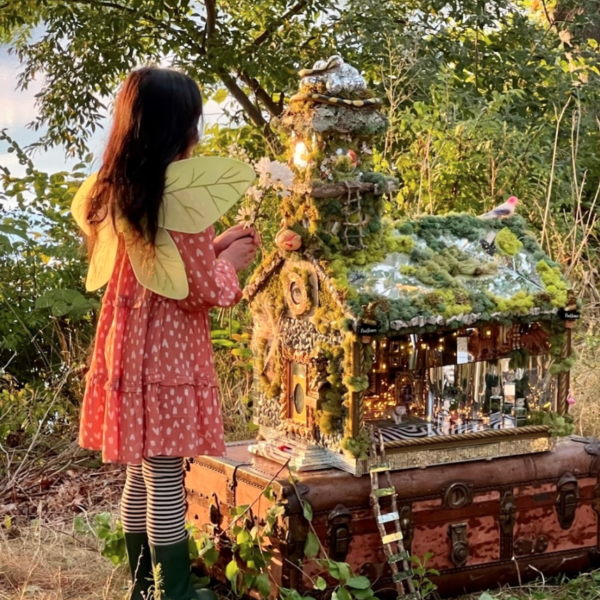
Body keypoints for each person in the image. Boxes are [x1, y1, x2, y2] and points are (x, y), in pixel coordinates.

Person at [75, 67, 259, 600]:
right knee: (166, 480)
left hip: (129, 346)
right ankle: (172, 592)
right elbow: (198, 289)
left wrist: (215, 246)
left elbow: (159, 265)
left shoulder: (116, 187)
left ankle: (143, 587)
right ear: (179, 127)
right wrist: (232, 264)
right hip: (168, 353)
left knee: (140, 473)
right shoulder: (182, 197)